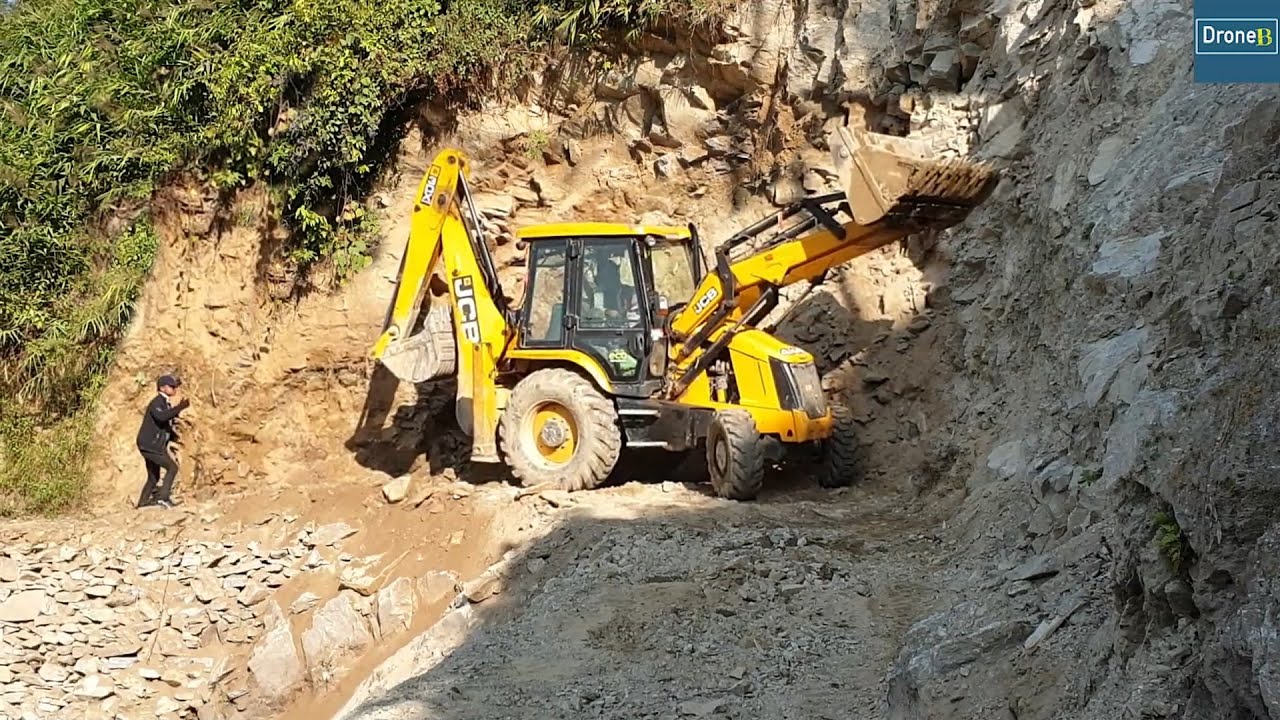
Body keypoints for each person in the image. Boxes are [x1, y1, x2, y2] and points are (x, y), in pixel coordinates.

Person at [135, 374, 191, 509]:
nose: (174, 389)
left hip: (150, 444)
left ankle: (142, 504)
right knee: (172, 467)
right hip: (150, 445)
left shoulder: (164, 403)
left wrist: (174, 435)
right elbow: (161, 417)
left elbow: (164, 423)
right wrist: (180, 407)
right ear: (162, 388)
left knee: (153, 476)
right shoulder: (157, 402)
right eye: (172, 386)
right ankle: (163, 498)